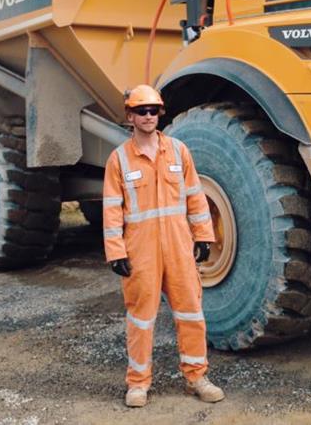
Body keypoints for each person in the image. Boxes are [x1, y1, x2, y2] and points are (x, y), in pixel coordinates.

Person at [102, 84, 224, 407]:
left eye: (154, 110)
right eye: (141, 111)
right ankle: (138, 383)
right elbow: (112, 210)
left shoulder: (178, 151)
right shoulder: (119, 160)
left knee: (191, 312)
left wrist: (203, 236)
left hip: (178, 246)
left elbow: (196, 198)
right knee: (141, 318)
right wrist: (116, 252)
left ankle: (197, 377)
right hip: (140, 251)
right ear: (130, 116)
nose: (148, 116)